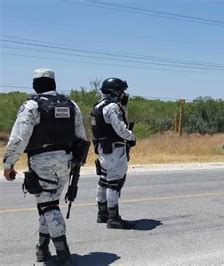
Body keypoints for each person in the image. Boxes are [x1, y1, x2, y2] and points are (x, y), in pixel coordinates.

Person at [2, 68, 87, 265]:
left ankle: (63, 254)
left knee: (48, 206)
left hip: (42, 161)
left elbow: (19, 137)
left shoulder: (32, 105)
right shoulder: (71, 104)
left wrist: (9, 163)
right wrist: (76, 161)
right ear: (54, 83)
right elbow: (81, 137)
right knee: (47, 205)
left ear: (35, 84)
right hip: (65, 161)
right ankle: (42, 249)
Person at [91, 78, 136, 229]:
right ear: (115, 91)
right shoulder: (112, 108)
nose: (123, 94)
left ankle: (102, 213)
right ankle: (113, 218)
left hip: (103, 149)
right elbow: (121, 130)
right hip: (114, 150)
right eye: (121, 91)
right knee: (114, 183)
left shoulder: (97, 106)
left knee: (104, 180)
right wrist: (132, 136)